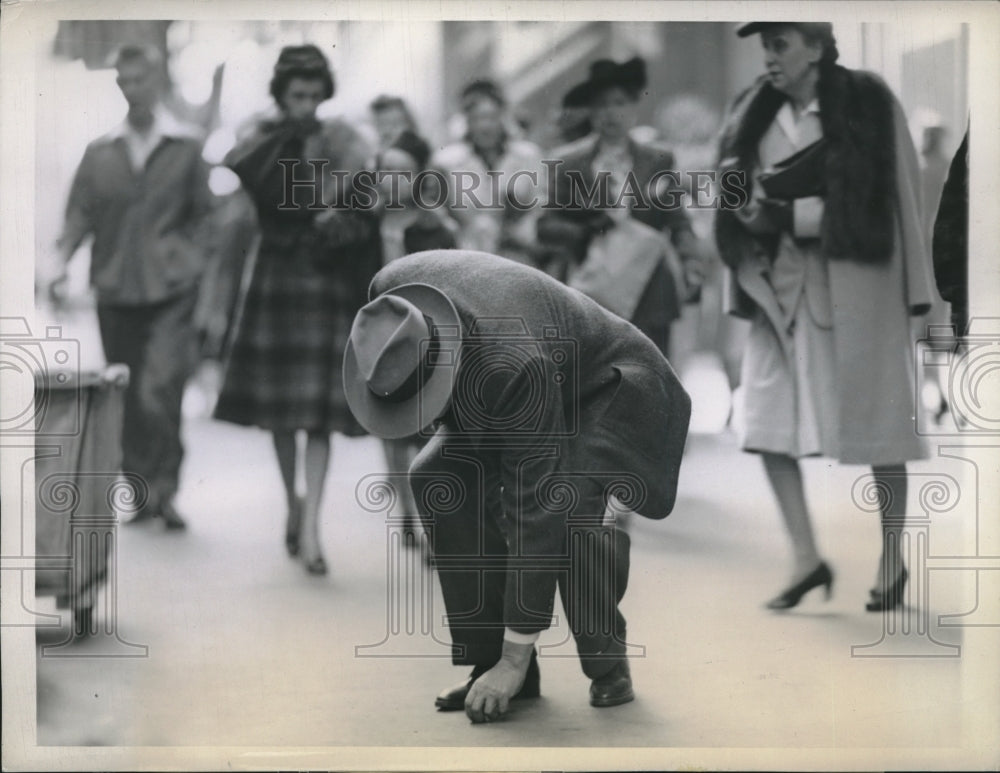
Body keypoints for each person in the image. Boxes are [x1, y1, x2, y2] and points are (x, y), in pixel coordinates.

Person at [343, 250, 691, 723]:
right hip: (504, 367)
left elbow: (535, 509)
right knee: (436, 475)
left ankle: (606, 661)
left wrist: (517, 652)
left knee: (565, 505)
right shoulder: (388, 301)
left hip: (607, 385)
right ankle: (491, 660)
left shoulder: (514, 363)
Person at [714, 22, 937, 611]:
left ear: (816, 46)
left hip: (857, 291)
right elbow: (731, 196)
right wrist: (748, 223)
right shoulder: (751, 111)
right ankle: (806, 558)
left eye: (780, 43)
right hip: (778, 293)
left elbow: (901, 198)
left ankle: (893, 559)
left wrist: (921, 299)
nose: (769, 57)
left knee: (880, 425)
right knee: (762, 423)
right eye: (764, 45)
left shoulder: (866, 100)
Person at [213, 45, 381, 576]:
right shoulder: (257, 137)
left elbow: (367, 203)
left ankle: (311, 530)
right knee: (282, 414)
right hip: (275, 275)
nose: (307, 104)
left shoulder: (346, 141)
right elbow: (246, 191)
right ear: (282, 96)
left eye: (314, 94)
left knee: (319, 416)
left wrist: (345, 211)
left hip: (325, 276)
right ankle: (294, 502)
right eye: (297, 95)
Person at [49, 44, 213, 531]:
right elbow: (78, 215)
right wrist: (59, 263)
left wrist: (191, 262)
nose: (132, 89)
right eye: (124, 81)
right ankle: (141, 490)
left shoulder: (185, 147)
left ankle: (165, 489)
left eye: (140, 80)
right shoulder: (100, 152)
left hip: (172, 290)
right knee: (124, 391)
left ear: (157, 82)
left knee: (159, 389)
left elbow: (207, 217)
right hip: (116, 288)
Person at [536, 57, 703, 358]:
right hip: (592, 286)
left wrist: (691, 263)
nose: (611, 113)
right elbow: (545, 227)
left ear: (634, 108)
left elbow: (677, 220)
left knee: (652, 373)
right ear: (590, 111)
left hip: (650, 286)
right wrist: (590, 228)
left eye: (620, 103)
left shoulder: (657, 160)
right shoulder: (568, 163)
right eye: (601, 105)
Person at [373, 128, 457, 535]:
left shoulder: (434, 229)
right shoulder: (362, 225)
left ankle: (426, 516)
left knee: (425, 425)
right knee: (389, 425)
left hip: (424, 335)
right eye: (385, 170)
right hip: (374, 334)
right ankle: (406, 510)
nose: (392, 180)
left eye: (402, 172)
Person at [432, 79, 545, 264]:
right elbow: (441, 212)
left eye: (492, 117)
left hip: (519, 256)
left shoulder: (528, 155)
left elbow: (541, 204)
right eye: (477, 118)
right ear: (467, 121)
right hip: (464, 256)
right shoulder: (447, 161)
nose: (485, 126)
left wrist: (521, 232)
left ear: (503, 117)